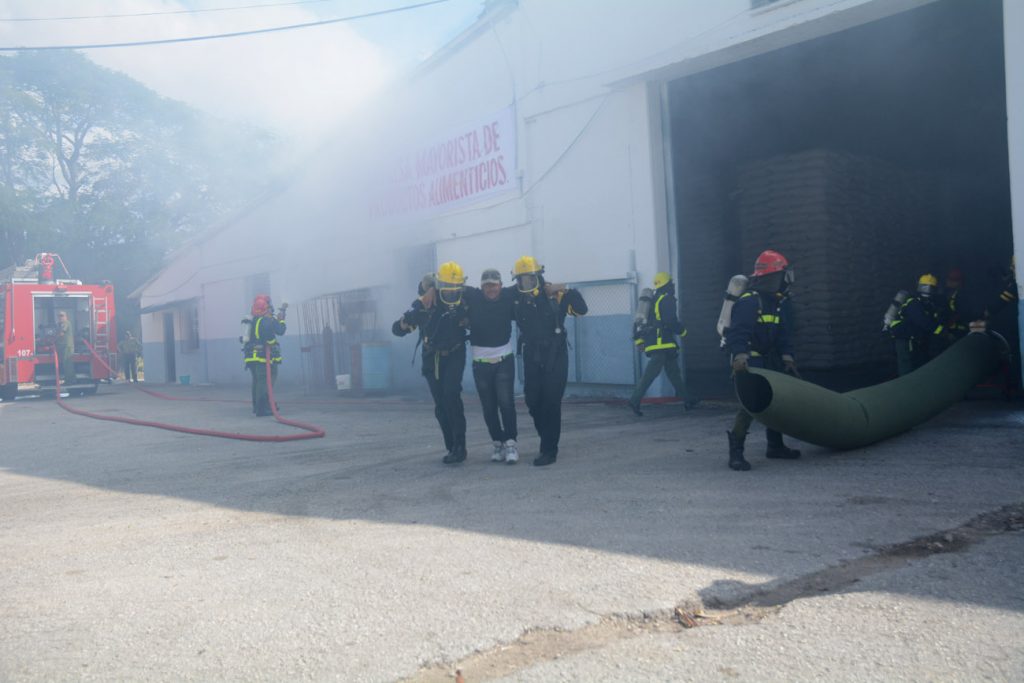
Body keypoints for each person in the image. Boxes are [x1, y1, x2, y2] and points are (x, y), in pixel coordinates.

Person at [725, 249, 801, 472]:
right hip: (750, 360)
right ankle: (736, 453)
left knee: (774, 401)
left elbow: (783, 333)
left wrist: (788, 358)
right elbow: (737, 333)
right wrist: (740, 357)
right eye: (783, 276)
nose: (787, 281)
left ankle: (775, 447)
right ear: (774, 277)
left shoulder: (774, 303)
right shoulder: (749, 302)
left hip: (770, 359)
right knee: (752, 404)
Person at [509, 256, 587, 467]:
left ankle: (549, 449)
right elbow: (488, 297)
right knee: (533, 401)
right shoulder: (515, 298)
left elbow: (582, 309)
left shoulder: (557, 297)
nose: (526, 284)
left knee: (551, 402)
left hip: (555, 354)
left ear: (539, 277)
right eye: (521, 280)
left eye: (530, 279)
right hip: (531, 355)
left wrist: (567, 290)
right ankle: (547, 436)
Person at [392, 262, 470, 464]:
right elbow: (398, 329)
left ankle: (460, 447)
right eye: (447, 288)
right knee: (441, 405)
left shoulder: (464, 299)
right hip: (432, 358)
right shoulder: (425, 305)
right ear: (439, 286)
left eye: (456, 288)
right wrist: (417, 307)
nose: (452, 293)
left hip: (455, 354)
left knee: (452, 396)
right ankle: (451, 446)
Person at [462, 268, 519, 464]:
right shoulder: (473, 296)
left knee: (506, 404)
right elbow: (448, 285)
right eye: (487, 285)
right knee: (488, 407)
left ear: (501, 285)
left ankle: (511, 443)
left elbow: (532, 283)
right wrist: (428, 290)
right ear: (482, 286)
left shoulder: (509, 295)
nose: (491, 289)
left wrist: (551, 288)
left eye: (494, 285)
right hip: (481, 363)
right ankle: (498, 442)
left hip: (504, 361)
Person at [628, 272, 697, 416]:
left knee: (674, 373)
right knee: (650, 374)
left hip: (658, 342)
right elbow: (670, 321)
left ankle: (688, 400)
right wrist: (683, 331)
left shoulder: (653, 299)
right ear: (668, 284)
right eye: (671, 282)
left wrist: (639, 340)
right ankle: (634, 399)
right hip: (661, 343)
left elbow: (640, 322)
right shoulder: (667, 299)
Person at [888, 274, 945, 376]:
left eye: (930, 288)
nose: (927, 291)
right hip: (905, 338)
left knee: (915, 363)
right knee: (907, 366)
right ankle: (905, 387)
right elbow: (922, 320)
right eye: (926, 288)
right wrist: (941, 331)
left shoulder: (925, 303)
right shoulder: (914, 303)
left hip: (912, 338)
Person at [243, 294, 287, 416]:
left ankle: (257, 406)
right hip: (263, 358)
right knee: (265, 382)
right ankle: (263, 408)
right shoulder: (266, 320)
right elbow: (280, 331)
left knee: (257, 381)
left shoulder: (252, 319)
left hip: (251, 357)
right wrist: (281, 319)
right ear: (266, 307)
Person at [55, 310, 76, 389]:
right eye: (59, 316)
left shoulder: (66, 323)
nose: (60, 317)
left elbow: (61, 333)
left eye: (62, 315)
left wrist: (53, 340)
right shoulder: (59, 324)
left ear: (66, 316)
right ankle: (68, 380)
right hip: (62, 347)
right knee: (65, 364)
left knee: (68, 364)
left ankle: (70, 381)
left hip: (67, 347)